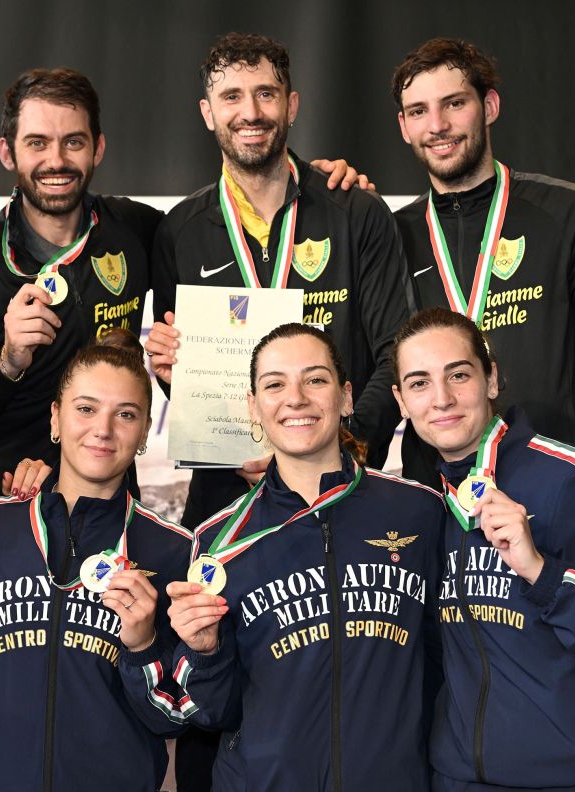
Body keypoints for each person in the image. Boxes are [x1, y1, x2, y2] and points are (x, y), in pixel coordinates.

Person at [0, 67, 369, 499]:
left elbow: (227, 219)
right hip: (4, 497)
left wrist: (313, 187)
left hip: (111, 502)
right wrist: (9, 362)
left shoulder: (137, 229)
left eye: (73, 142)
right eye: (37, 143)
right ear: (7, 152)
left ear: (98, 148)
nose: (56, 160)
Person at [389, 307, 575, 792]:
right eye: (419, 383)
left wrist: (544, 573)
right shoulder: (423, 504)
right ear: (400, 400)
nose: (441, 398)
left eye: (458, 375)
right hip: (465, 778)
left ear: (491, 379)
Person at [147, 31, 411, 529]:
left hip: (344, 489)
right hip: (227, 498)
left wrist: (341, 448)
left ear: (291, 105)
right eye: (231, 96)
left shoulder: (356, 212)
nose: (250, 112)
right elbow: (184, 377)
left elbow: (397, 353)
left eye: (265, 93)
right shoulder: (178, 232)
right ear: (207, 113)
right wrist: (171, 374)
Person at [166, 323, 444, 792]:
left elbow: (449, 664)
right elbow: (213, 713)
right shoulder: (218, 541)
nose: (295, 398)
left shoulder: (419, 510)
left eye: (315, 379)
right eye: (274, 384)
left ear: (346, 396)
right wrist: (205, 653)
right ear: (253, 406)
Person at [0, 330, 195, 791]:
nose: (103, 429)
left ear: (145, 430)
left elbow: (174, 717)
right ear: (56, 417)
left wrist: (144, 647)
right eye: (85, 408)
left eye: (125, 414)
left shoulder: (172, 551)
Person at [390, 37, 575, 485]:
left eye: (454, 103)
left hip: (558, 483)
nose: (437, 125)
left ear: (489, 106)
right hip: (440, 492)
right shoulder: (394, 235)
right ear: (404, 126)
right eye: (418, 111)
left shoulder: (567, 212)